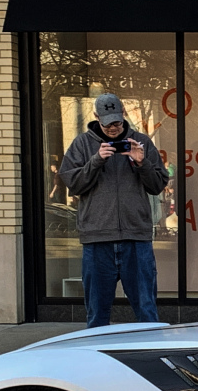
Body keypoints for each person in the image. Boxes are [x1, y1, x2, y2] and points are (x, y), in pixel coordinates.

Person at [59, 93, 169, 328]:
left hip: (136, 239)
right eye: (107, 122)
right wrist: (96, 160)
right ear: (97, 117)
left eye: (117, 122)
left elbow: (158, 185)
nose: (113, 127)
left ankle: (150, 358)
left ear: (123, 116)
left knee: (147, 312)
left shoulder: (141, 142)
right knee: (98, 315)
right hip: (98, 240)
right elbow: (74, 184)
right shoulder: (82, 144)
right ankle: (98, 362)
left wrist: (142, 162)